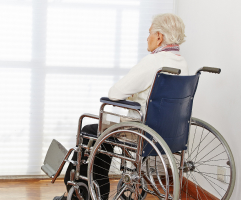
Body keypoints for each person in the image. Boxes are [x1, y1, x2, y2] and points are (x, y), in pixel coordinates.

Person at [53, 13, 188, 200]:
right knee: (104, 130)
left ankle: (84, 193)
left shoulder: (153, 61)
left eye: (149, 33)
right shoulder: (182, 63)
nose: (146, 38)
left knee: (91, 130)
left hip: (142, 132)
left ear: (159, 37)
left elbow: (115, 93)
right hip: (170, 133)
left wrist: (132, 93)